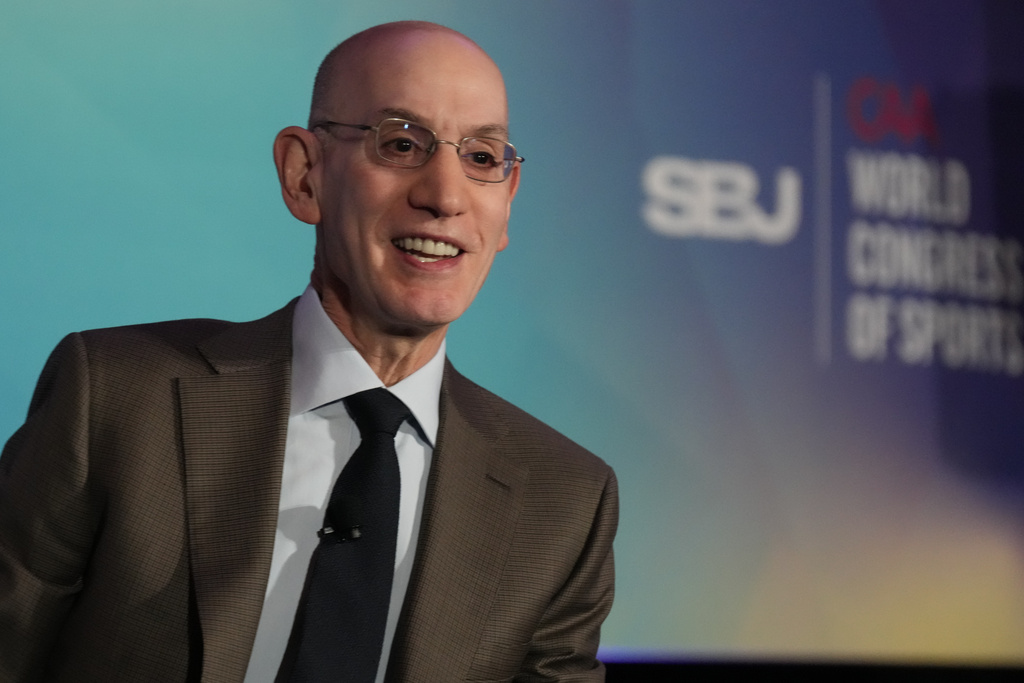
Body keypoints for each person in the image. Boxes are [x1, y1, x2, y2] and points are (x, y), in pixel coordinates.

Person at [0, 21, 617, 682]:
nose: (444, 196)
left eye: (483, 158)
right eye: (401, 143)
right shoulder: (116, 397)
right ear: (303, 175)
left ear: (507, 202)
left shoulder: (564, 501)